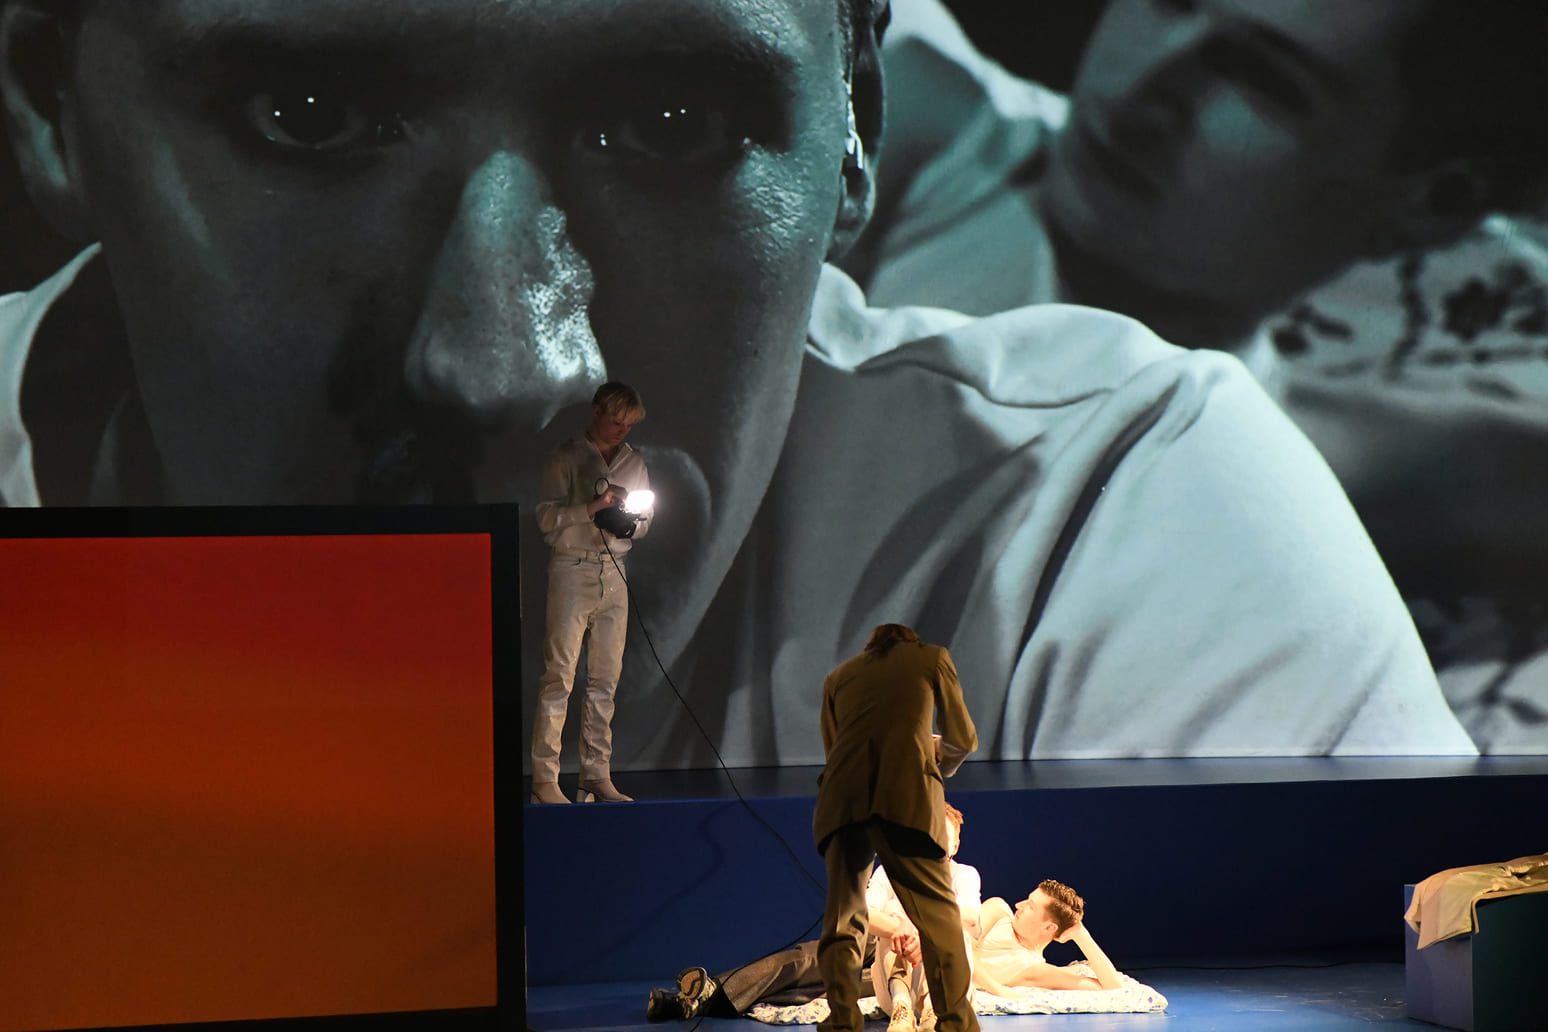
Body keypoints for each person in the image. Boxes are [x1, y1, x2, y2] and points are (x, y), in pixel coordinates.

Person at [0, 0, 1479, 765]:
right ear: (51, 105)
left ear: (858, 130)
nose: (505, 363)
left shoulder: (1081, 533)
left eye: (670, 121)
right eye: (309, 114)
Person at [842, 0, 1548, 752]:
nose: (1143, 88)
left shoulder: (1256, 474)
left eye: (1263, 78)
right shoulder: (905, 104)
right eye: (1166, 0)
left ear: (1435, 206)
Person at [643, 802, 979, 1023]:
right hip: (880, 946)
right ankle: (706, 992)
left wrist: (922, 932)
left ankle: (701, 999)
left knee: (814, 990)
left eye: (942, 838)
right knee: (807, 961)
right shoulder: (894, 872)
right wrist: (898, 929)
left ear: (955, 845)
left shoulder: (963, 876)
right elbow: (862, 910)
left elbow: (969, 917)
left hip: (918, 966)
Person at [813, 623, 978, 1032]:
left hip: (841, 803)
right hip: (906, 799)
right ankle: (955, 1023)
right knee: (938, 919)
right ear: (911, 642)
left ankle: (842, 1022)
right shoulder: (931, 658)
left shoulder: (838, 676)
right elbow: (962, 739)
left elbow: (835, 750)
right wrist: (935, 755)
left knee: (843, 918)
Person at [529, 382, 651, 804]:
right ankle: (545, 778)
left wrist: (628, 519)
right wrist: (593, 508)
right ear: (597, 411)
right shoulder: (567, 456)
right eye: (616, 422)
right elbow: (545, 518)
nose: (622, 431)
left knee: (605, 679)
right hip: (572, 567)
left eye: (629, 425)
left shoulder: (634, 461)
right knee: (559, 676)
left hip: (615, 570)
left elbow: (646, 521)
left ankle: (596, 774)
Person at [972, 881, 1122, 997]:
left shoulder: (1035, 969)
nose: (1018, 905)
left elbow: (1114, 987)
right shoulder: (998, 909)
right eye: (1027, 900)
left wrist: (1081, 934)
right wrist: (997, 989)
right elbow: (962, 947)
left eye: (1030, 906)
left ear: (1049, 927)